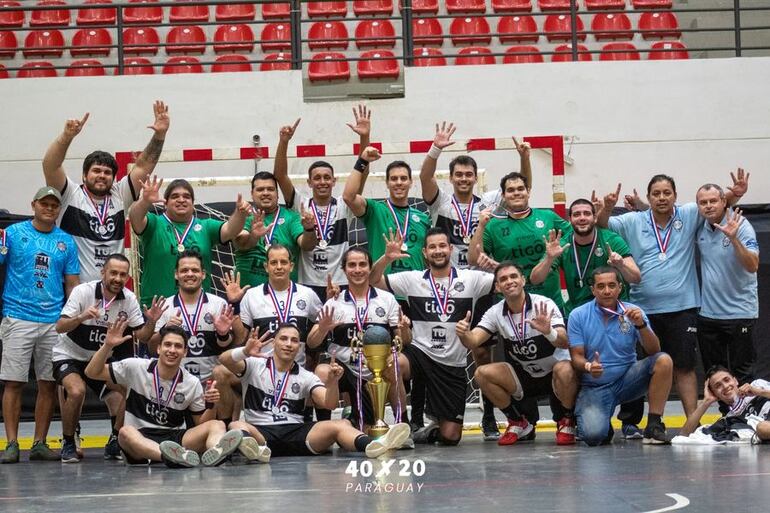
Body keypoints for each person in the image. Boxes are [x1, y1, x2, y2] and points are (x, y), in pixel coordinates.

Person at [596, 170, 748, 417]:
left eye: (667, 193)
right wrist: (607, 208)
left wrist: (735, 194)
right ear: (649, 197)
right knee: (644, 368)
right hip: (641, 310)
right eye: (656, 194)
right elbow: (602, 224)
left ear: (675, 196)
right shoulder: (633, 220)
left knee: (685, 368)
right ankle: (642, 422)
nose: (662, 198)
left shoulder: (688, 214)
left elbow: (716, 204)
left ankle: (692, 424)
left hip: (683, 308)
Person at [420, 124, 533, 440]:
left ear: (475, 176)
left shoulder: (490, 202)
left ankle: (488, 415)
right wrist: (436, 148)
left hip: (479, 286)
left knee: (482, 353)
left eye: (469, 174)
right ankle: (427, 414)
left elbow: (523, 187)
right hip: (444, 287)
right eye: (459, 174)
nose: (464, 178)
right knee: (435, 347)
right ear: (452, 177)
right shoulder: (440, 201)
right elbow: (425, 177)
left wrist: (524, 158)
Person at [529, 198, 646, 439]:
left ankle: (631, 422)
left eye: (586, 213)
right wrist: (549, 258)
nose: (582, 218)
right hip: (580, 318)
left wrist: (620, 264)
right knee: (573, 367)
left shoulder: (610, 239)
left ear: (594, 217)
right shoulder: (562, 244)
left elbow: (636, 277)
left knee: (628, 361)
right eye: (576, 214)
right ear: (570, 220)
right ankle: (574, 416)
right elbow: (535, 279)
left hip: (615, 315)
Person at [369, 228, 495, 445]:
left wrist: (494, 265)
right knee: (392, 364)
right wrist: (386, 258)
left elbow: (508, 279)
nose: (438, 251)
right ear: (425, 253)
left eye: (442, 246)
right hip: (421, 352)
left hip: (452, 363)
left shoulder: (472, 279)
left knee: (450, 437)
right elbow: (373, 279)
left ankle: (429, 431)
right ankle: (403, 426)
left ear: (451, 249)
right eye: (433, 247)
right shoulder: (412, 279)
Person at [219, 324, 411, 459]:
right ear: (273, 343)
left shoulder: (305, 376)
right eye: (283, 339)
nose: (288, 344)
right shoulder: (254, 365)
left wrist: (334, 383)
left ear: (299, 347)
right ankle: (255, 451)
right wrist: (245, 351)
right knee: (236, 425)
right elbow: (224, 359)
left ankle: (373, 445)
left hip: (295, 433)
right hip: (261, 431)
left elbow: (328, 403)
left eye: (294, 341)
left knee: (340, 423)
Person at [53, 253, 165, 462]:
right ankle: (68, 442)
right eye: (113, 273)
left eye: (122, 275)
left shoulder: (129, 298)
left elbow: (141, 336)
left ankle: (115, 440)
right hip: (71, 355)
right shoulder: (83, 291)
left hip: (100, 360)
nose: (117, 278)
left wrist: (151, 322)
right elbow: (60, 327)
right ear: (103, 272)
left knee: (129, 391)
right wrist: (82, 317)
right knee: (76, 391)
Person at [85, 323, 244, 467]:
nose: (172, 350)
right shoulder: (135, 367)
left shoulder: (191, 382)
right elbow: (91, 372)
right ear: (159, 348)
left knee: (218, 425)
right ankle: (169, 457)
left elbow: (201, 424)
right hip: (140, 437)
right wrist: (107, 346)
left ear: (185, 352)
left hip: (174, 439)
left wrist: (211, 405)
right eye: (168, 345)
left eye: (178, 346)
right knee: (125, 432)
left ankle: (217, 452)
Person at [42, 102, 169, 282]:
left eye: (107, 172)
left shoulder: (120, 194)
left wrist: (160, 135)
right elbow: (50, 165)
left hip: (112, 290)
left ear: (114, 177)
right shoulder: (69, 194)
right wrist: (66, 137)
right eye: (96, 171)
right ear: (84, 175)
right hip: (74, 290)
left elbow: (143, 164)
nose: (102, 175)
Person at [0, 186, 80, 463]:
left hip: (52, 321)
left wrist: (70, 317)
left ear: (59, 209)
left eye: (54, 205)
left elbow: (72, 284)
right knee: (13, 382)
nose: (49, 208)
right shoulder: (11, 234)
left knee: (47, 384)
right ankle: (11, 443)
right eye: (44, 204)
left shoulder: (66, 242)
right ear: (33, 204)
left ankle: (39, 443)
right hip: (17, 315)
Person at [456, 261, 576, 446]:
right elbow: (473, 341)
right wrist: (464, 333)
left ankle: (567, 420)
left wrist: (548, 331)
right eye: (503, 279)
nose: (509, 281)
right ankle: (518, 422)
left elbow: (563, 341)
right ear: (497, 287)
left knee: (566, 368)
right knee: (481, 373)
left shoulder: (543, 304)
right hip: (526, 375)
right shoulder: (495, 312)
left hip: (554, 373)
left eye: (513, 276)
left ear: (523, 280)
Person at [272, 107, 372, 302]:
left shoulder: (345, 204)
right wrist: (284, 142)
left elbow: (363, 173)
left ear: (334, 181)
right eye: (316, 178)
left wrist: (364, 139)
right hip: (307, 286)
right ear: (309, 182)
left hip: (341, 283)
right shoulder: (300, 203)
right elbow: (281, 176)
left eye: (327, 177)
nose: (322, 181)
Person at [307, 247, 411, 431]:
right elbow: (311, 342)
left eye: (362, 264)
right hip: (344, 367)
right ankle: (323, 428)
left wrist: (403, 330)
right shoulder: (334, 302)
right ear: (344, 269)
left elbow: (404, 341)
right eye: (352, 265)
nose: (357, 270)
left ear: (370, 268)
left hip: (374, 368)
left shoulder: (387, 299)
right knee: (322, 371)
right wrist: (322, 328)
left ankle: (403, 425)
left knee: (395, 363)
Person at [568, 267, 673, 446]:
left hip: (628, 380)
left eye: (611, 285)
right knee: (593, 437)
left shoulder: (633, 311)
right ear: (592, 290)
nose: (607, 291)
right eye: (600, 286)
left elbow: (654, 350)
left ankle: (654, 426)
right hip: (596, 386)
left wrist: (640, 325)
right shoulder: (578, 315)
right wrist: (588, 367)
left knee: (664, 360)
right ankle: (601, 424)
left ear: (620, 288)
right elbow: (576, 357)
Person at [222, 244, 322, 421]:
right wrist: (235, 304)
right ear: (266, 266)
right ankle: (227, 428)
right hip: (260, 367)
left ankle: (310, 419)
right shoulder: (252, 295)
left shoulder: (308, 294)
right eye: (273, 262)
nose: (279, 267)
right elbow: (241, 336)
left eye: (283, 262)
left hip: (295, 367)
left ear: (291, 266)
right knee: (219, 372)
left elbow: (321, 324)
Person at [129, 176, 250, 308]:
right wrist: (145, 201)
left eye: (186, 196)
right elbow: (135, 217)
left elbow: (230, 229)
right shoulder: (154, 223)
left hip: (198, 308)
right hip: (157, 307)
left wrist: (240, 214)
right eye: (175, 196)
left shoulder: (206, 227)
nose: (181, 200)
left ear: (193, 203)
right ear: (165, 203)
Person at [468, 171, 571, 311]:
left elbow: (575, 233)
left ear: (528, 192)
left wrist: (553, 259)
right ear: (503, 196)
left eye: (520, 189)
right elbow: (473, 259)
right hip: (510, 306)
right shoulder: (492, 225)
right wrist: (480, 226)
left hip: (549, 303)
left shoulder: (548, 217)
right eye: (510, 190)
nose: (516, 193)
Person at [152, 250, 237, 405]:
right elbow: (153, 348)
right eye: (184, 270)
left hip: (211, 381)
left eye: (195, 270)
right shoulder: (165, 306)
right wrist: (165, 329)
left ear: (203, 274)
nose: (189, 274)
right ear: (176, 274)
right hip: (176, 380)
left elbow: (226, 346)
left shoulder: (218, 304)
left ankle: (224, 424)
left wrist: (223, 334)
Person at [694, 183, 759, 385]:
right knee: (714, 375)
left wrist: (733, 239)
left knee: (742, 374)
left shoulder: (741, 225)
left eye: (713, 201)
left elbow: (753, 265)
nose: (709, 206)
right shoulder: (700, 226)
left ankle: (746, 416)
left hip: (740, 313)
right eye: (703, 202)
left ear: (724, 202)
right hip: (709, 315)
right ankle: (726, 416)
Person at [343, 147, 432, 274]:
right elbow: (348, 196)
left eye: (403, 178)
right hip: (383, 287)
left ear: (411, 182)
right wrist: (362, 161)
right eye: (394, 179)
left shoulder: (423, 218)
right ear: (387, 183)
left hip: (414, 289)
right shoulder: (375, 210)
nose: (399, 182)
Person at [233, 172, 318, 288]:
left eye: (271, 189)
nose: (266, 193)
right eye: (260, 189)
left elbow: (307, 245)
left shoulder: (291, 217)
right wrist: (254, 236)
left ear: (278, 194)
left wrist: (309, 229)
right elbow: (240, 243)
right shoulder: (245, 216)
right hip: (247, 295)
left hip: (285, 296)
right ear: (252, 194)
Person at [680, 366, 770, 443]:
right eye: (718, 386)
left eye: (727, 380)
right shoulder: (729, 420)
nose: (725, 386)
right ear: (715, 394)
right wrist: (706, 401)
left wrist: (759, 392)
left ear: (735, 381)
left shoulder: (758, 385)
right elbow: (683, 435)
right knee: (762, 428)